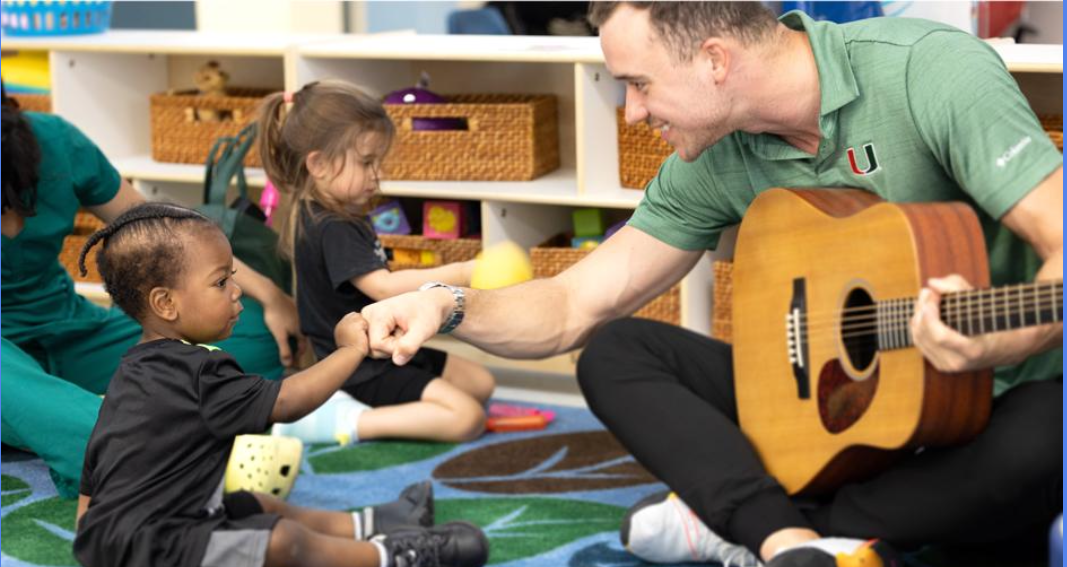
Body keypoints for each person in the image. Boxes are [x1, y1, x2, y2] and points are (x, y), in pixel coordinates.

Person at [359, 2, 1063, 566]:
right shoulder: (711, 158)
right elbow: (573, 303)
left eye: (639, 83)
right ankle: (788, 545)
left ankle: (760, 524)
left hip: (995, 404)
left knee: (1044, 444)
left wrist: (1001, 343)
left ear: (715, 61)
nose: (631, 112)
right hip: (832, 410)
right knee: (617, 350)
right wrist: (446, 304)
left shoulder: (926, 72)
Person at [72, 202, 490, 567]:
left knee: (253, 505)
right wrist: (350, 350)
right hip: (153, 551)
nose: (237, 293)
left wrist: (91, 539)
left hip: (118, 540)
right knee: (283, 543)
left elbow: (96, 465)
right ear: (166, 303)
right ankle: (395, 556)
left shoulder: (131, 370)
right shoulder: (199, 373)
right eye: (221, 282)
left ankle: (370, 524)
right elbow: (287, 401)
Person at [0, 86, 306, 499]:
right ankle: (144, 447)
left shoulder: (54, 141)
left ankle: (50, 418)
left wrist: (271, 295)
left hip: (68, 331)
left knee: (255, 334)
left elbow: (163, 230)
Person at [257, 81, 495, 445]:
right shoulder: (334, 225)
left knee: (481, 383)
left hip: (382, 346)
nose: (376, 175)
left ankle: (364, 406)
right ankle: (347, 420)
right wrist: (463, 272)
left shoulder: (326, 211)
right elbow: (381, 286)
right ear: (318, 164)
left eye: (377, 163)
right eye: (366, 163)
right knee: (467, 418)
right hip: (360, 365)